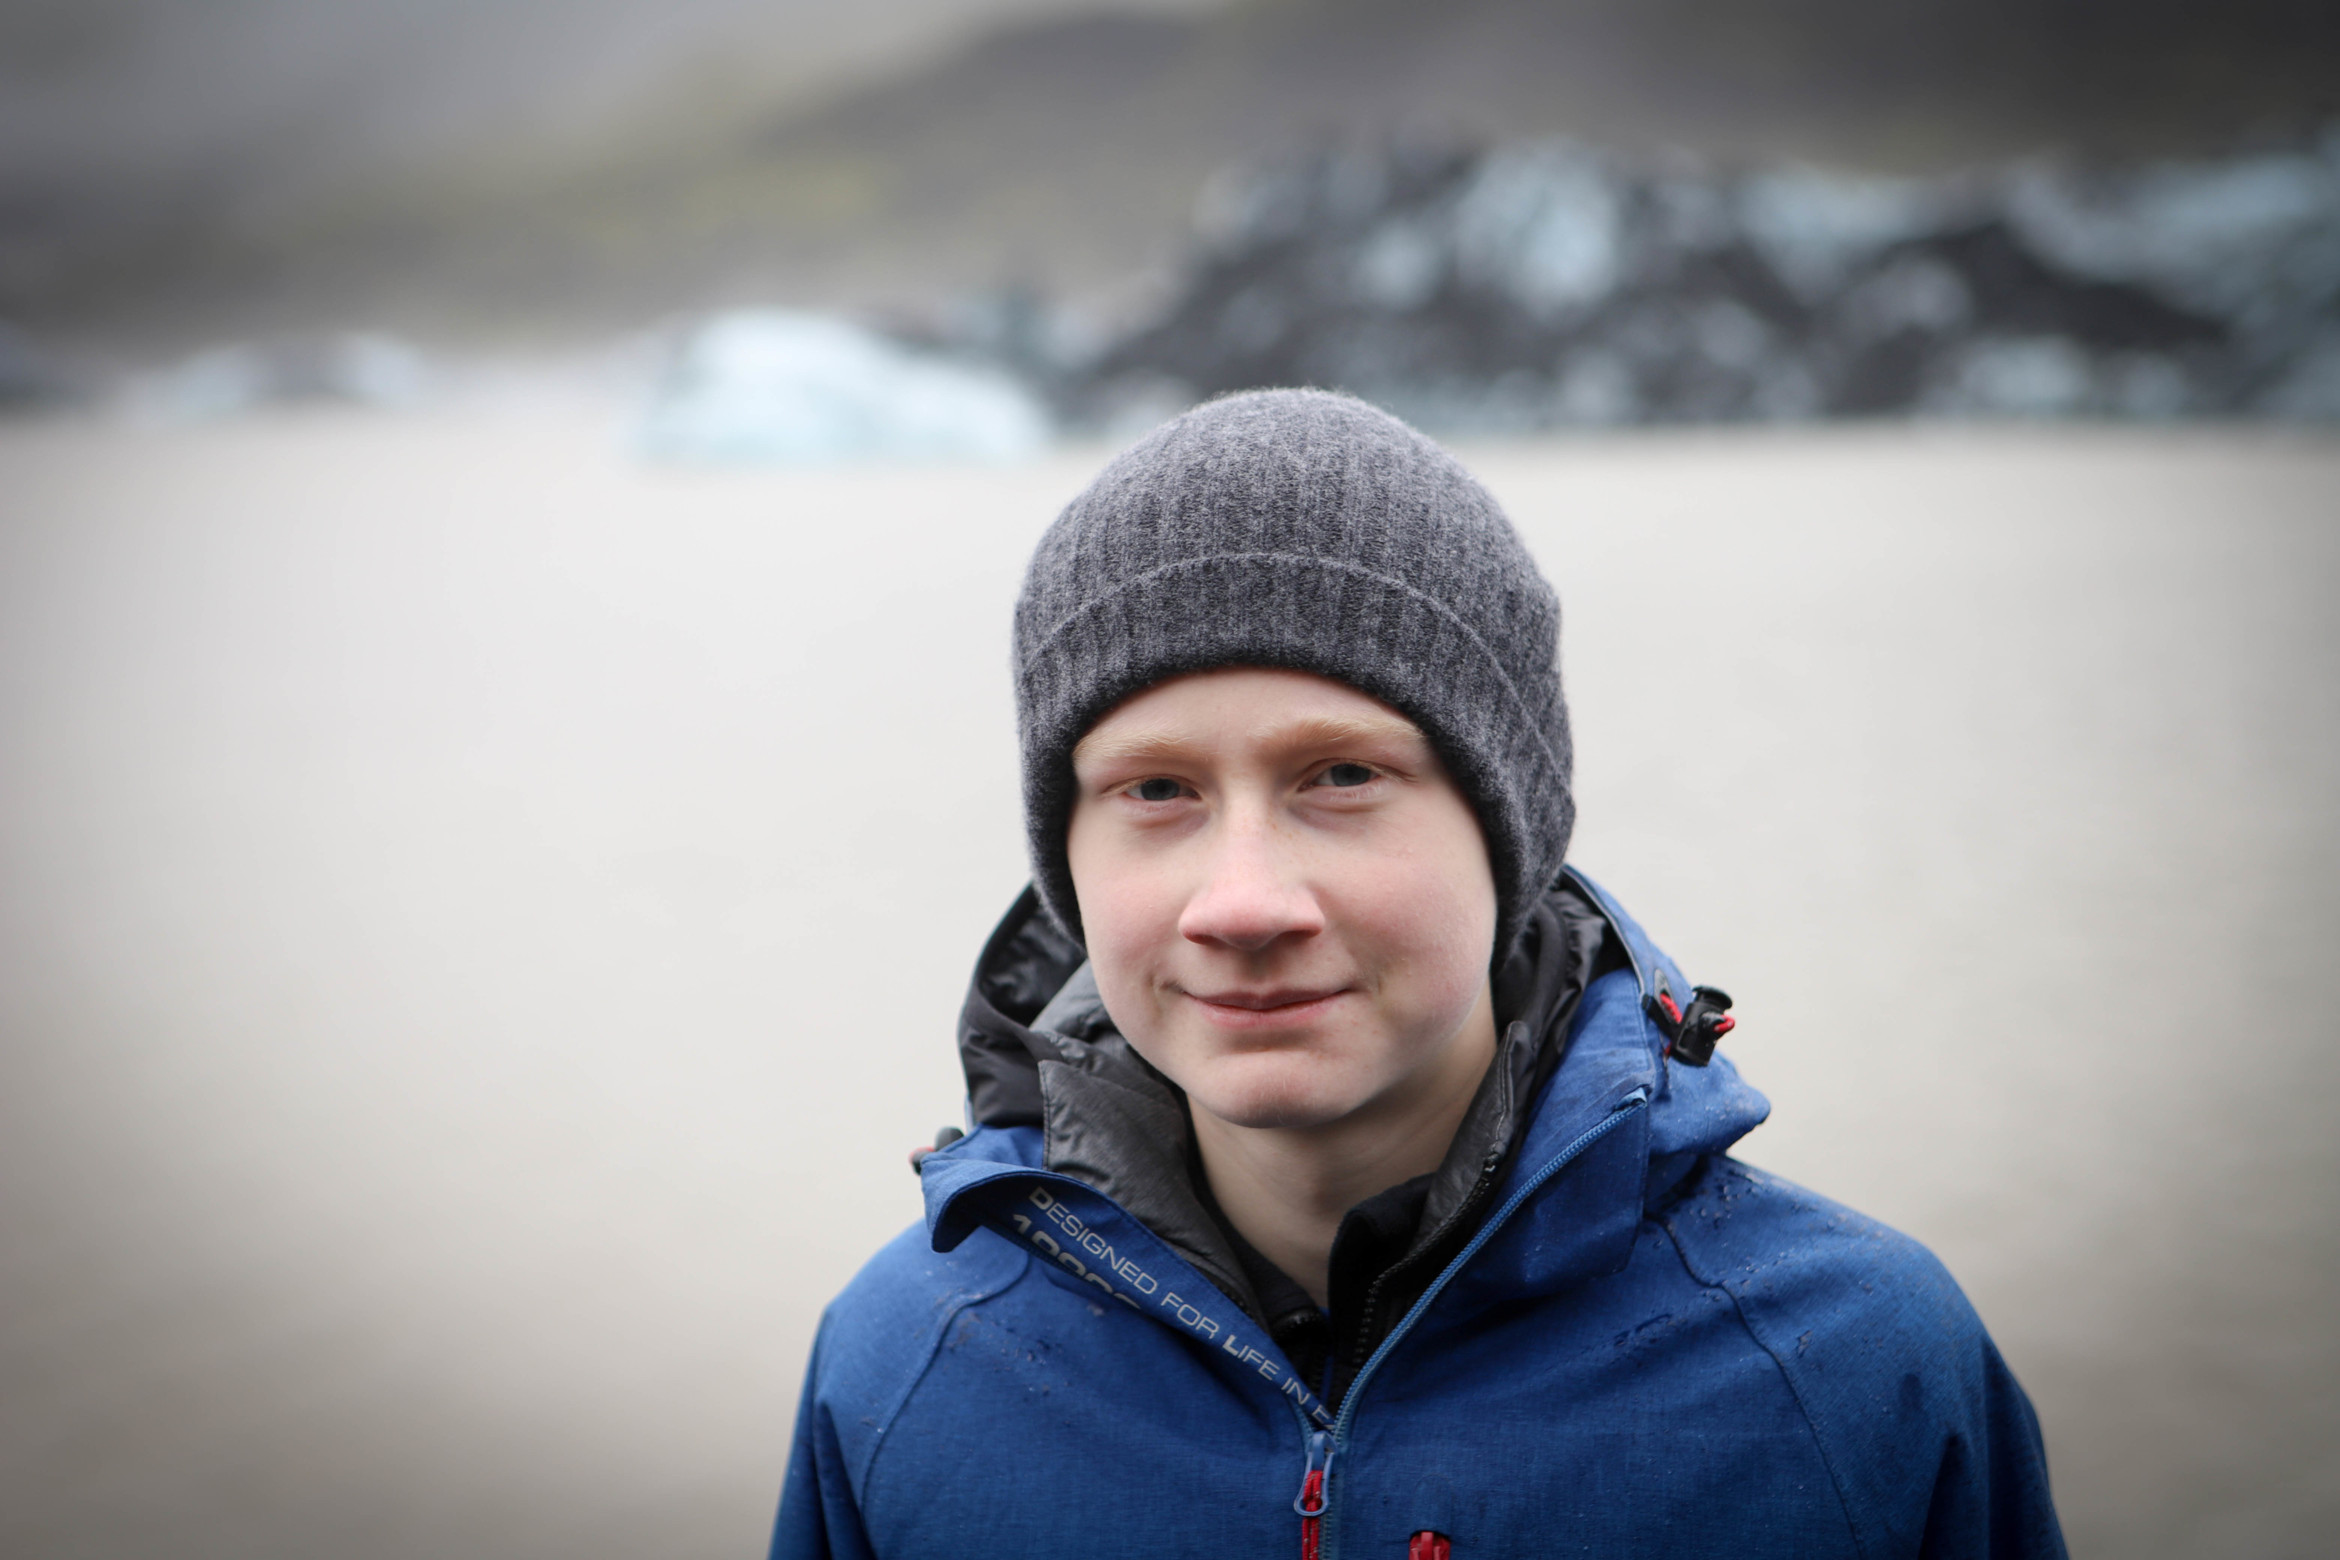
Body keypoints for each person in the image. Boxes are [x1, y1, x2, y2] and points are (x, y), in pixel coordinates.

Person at [773, 389, 2065, 1558]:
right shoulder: (904, 1370)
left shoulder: (1852, 1373)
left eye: (1342, 776)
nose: (1243, 902)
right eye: (1156, 791)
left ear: (1510, 834)